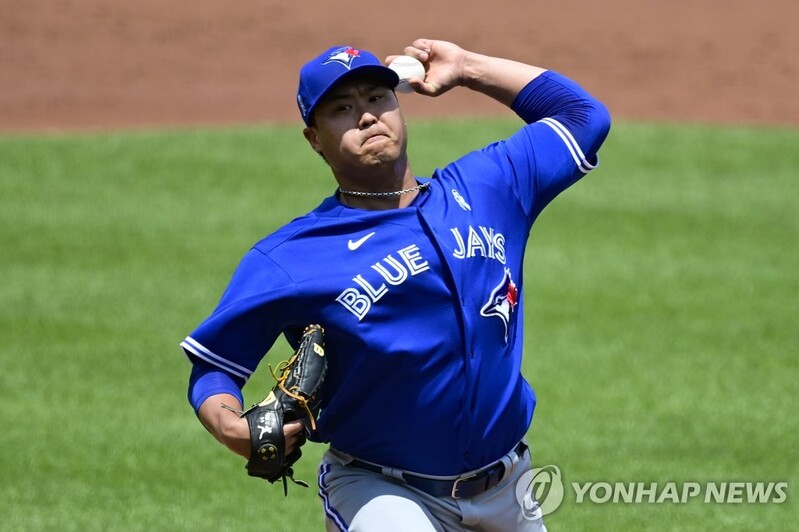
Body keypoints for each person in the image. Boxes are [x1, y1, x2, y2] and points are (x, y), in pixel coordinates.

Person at [181, 38, 610, 531]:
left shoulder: (490, 186)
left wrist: (467, 67)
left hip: (509, 486)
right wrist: (229, 426)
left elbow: (584, 116)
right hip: (382, 489)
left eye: (377, 99)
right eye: (342, 108)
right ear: (314, 138)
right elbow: (214, 368)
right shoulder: (290, 257)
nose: (366, 117)